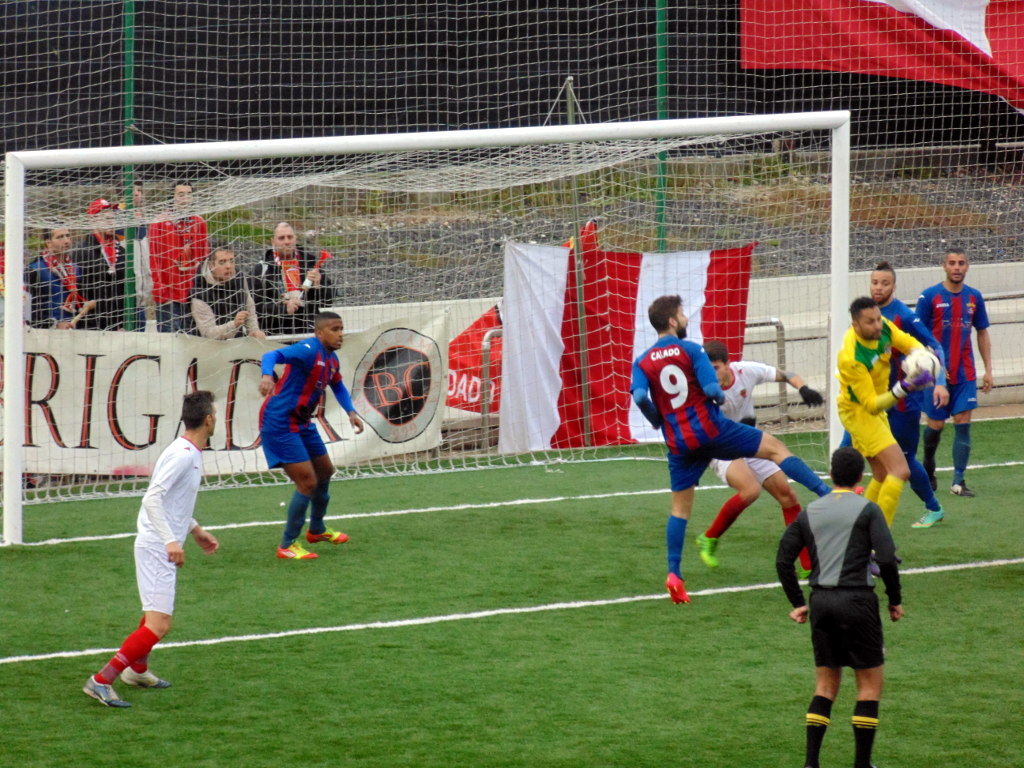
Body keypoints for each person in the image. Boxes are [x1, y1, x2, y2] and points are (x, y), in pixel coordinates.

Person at [630, 295, 830, 605]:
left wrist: (658, 420)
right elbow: (713, 390)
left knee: (679, 510)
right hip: (711, 431)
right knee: (776, 449)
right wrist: (719, 400)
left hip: (679, 442)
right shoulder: (692, 350)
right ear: (672, 321)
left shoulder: (642, 361)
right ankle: (828, 493)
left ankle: (674, 574)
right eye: (681, 314)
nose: (685, 318)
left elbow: (640, 397)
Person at [83, 391, 220, 708]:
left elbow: (173, 501)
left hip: (159, 542)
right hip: (157, 546)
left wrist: (195, 529)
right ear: (208, 419)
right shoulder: (183, 455)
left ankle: (137, 671)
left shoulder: (186, 450)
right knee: (159, 625)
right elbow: (152, 499)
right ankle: (101, 680)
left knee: (152, 616)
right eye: (215, 414)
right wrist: (170, 540)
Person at [776, 446, 903, 768]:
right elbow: (887, 559)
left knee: (825, 685)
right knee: (869, 685)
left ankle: (811, 763)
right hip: (858, 601)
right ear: (861, 476)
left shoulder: (810, 511)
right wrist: (895, 599)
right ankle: (862, 764)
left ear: (831, 475)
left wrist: (798, 602)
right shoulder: (869, 509)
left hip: (821, 602)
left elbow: (783, 560)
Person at [695, 339, 825, 573]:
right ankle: (710, 537)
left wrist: (803, 388)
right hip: (721, 447)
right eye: (708, 369)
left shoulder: (746, 371)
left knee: (787, 496)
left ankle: (808, 565)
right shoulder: (702, 389)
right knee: (751, 490)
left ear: (728, 364)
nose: (711, 374)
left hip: (749, 440)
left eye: (715, 368)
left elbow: (786, 374)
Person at [258, 311, 364, 559]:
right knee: (307, 482)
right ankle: (287, 545)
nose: (341, 334)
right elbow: (271, 355)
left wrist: (351, 411)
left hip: (302, 421)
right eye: (335, 329)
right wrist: (267, 375)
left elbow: (337, 384)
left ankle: (316, 529)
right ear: (319, 333)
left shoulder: (332, 359)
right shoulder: (308, 349)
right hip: (280, 420)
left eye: (342, 329)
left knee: (325, 471)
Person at [861, 262, 950, 529]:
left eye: (884, 283)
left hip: (902, 403)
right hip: (874, 399)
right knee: (850, 448)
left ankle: (933, 507)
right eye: (875, 282)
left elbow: (934, 346)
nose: (878, 288)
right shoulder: (866, 316)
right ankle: (855, 508)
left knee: (904, 460)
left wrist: (939, 382)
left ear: (894, 286)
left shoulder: (904, 316)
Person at [836, 297, 935, 528]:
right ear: (855, 325)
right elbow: (871, 405)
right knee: (900, 470)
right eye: (870, 322)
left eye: (879, 319)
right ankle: (881, 538)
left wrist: (922, 356)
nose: (878, 325)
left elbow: (907, 341)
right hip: (859, 412)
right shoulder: (851, 358)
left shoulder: (884, 328)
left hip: (878, 406)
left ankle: (861, 529)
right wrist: (905, 387)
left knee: (881, 473)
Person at [916, 248, 993, 498]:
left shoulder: (974, 297)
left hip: (965, 372)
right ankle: (928, 462)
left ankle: (958, 481)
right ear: (944, 266)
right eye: (952, 263)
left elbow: (982, 332)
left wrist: (988, 370)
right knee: (936, 425)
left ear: (967, 266)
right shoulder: (929, 297)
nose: (956, 267)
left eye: (961, 263)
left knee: (963, 423)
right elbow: (916, 336)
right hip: (934, 374)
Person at [250, 222, 334, 336]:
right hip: (275, 334)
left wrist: (319, 285)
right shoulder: (261, 270)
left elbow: (328, 302)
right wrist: (284, 309)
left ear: (295, 239)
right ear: (273, 242)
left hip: (308, 331)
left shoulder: (310, 263)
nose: (287, 241)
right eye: (281, 238)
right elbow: (254, 307)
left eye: (290, 237)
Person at [148, 181, 209, 332]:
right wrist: (160, 290)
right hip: (168, 293)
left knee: (192, 337)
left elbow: (204, 257)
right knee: (169, 337)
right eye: (181, 194)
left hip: (193, 293)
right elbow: (154, 259)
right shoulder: (159, 223)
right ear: (172, 197)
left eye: (189, 194)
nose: (185, 198)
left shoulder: (199, 222)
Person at [72, 198, 128, 330]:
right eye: (106, 218)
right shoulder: (82, 252)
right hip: (92, 324)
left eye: (113, 218)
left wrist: (125, 322)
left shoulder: (121, 250)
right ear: (92, 220)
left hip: (119, 324)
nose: (111, 221)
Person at [190, 246, 266, 339]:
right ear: (211, 265)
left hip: (236, 341)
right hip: (205, 345)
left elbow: (249, 308)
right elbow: (208, 333)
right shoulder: (199, 293)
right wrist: (234, 325)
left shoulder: (239, 278)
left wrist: (254, 331)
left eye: (231, 261)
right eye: (222, 262)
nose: (228, 266)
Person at [25, 227, 86, 329]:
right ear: (48, 243)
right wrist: (55, 325)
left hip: (74, 331)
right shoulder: (35, 269)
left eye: (68, 236)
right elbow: (28, 309)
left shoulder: (76, 269)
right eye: (60, 237)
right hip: (44, 333)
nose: (67, 241)